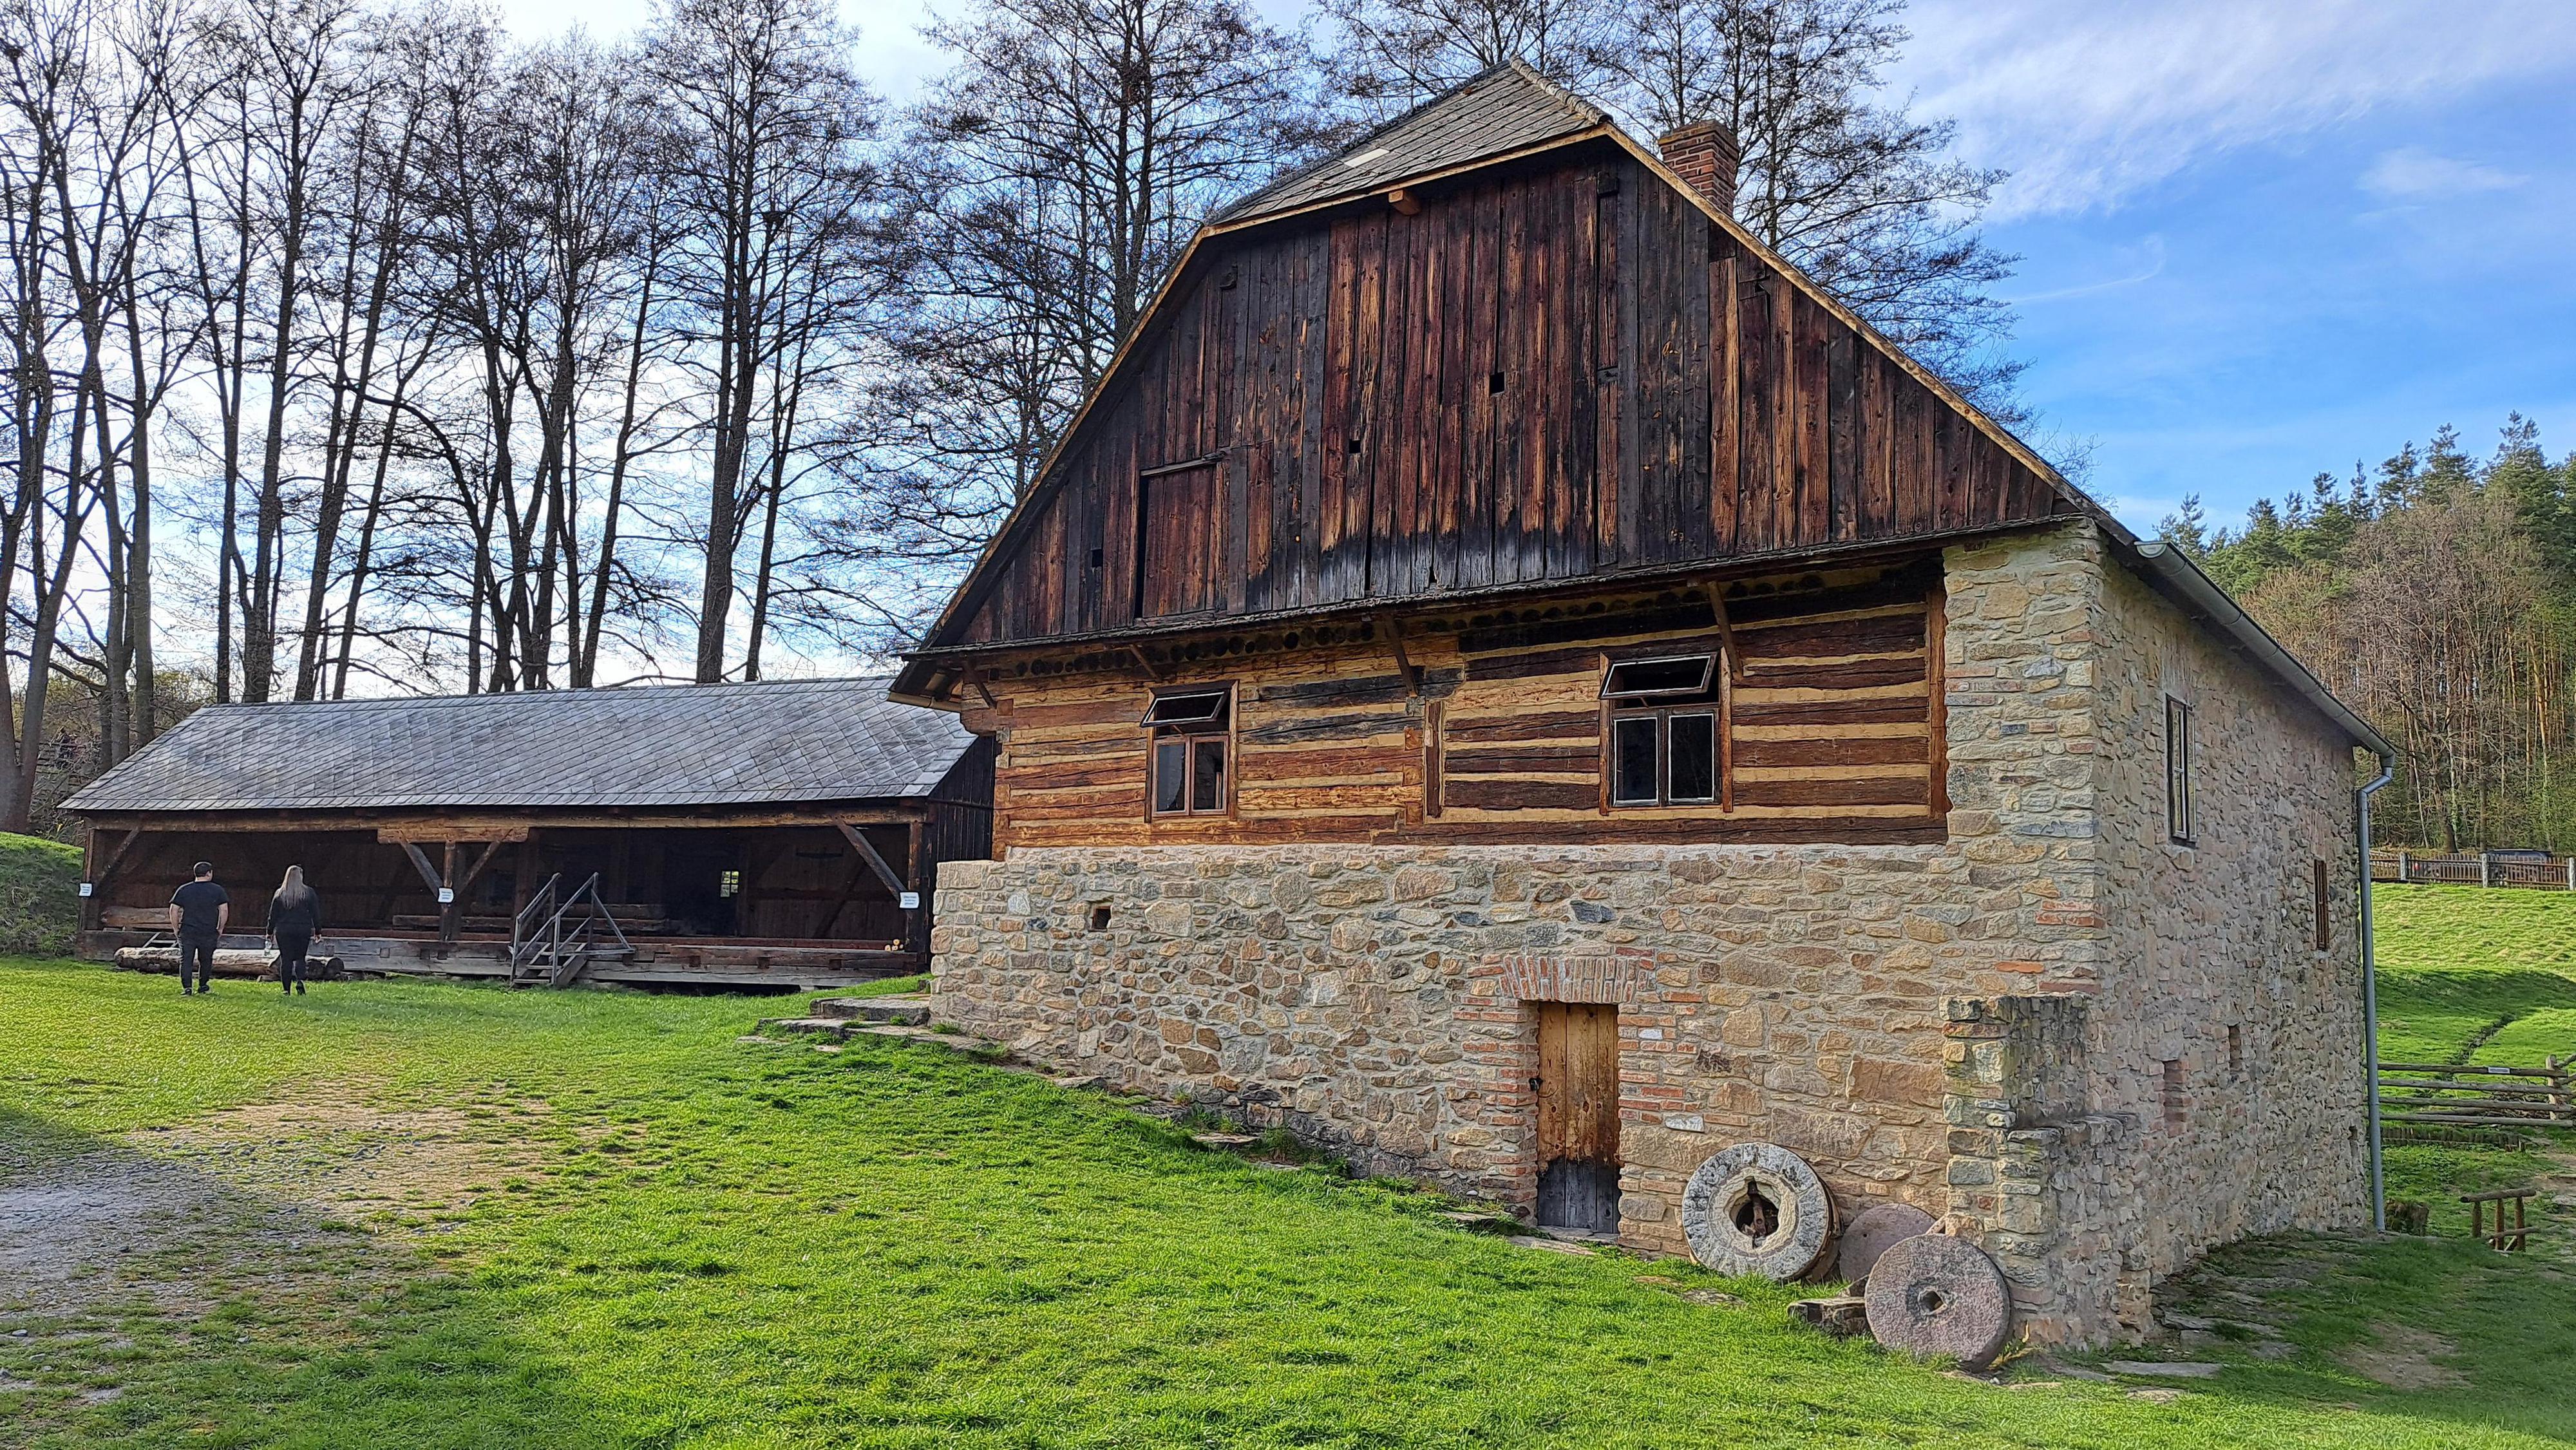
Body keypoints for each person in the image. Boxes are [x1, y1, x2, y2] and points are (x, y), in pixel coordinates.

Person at [169, 862, 229, 995]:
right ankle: (203, 985)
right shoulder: (217, 890)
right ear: (209, 873)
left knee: (186, 959)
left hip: (188, 930)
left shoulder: (184, 889)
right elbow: (224, 910)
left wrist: (176, 927)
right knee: (206, 959)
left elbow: (174, 909)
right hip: (208, 930)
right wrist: (220, 928)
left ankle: (187, 987)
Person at [269, 865, 322, 996]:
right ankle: (300, 981)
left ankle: (286, 989)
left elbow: (273, 915)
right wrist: (318, 931)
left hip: (284, 929)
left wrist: (269, 931)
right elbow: (316, 913)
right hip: (303, 929)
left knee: (286, 959)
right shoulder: (308, 893)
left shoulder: (280, 894)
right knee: (300, 958)